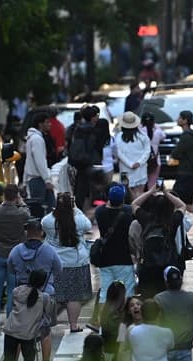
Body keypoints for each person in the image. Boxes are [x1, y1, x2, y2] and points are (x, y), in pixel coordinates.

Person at [9, 218, 64, 361]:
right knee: (45, 329)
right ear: (41, 232)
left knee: (19, 330)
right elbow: (59, 269)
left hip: (22, 294)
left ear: (27, 232)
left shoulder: (16, 250)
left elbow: (11, 269)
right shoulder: (49, 250)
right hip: (45, 293)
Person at [41, 193, 92, 333]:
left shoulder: (49, 221)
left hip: (55, 263)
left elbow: (43, 223)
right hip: (76, 262)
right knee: (74, 296)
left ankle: (48, 323)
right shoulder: (79, 220)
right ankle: (74, 325)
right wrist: (76, 209)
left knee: (53, 294)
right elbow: (88, 225)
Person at [0, 183, 30, 331]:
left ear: (4, 195)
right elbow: (28, 216)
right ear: (16, 196)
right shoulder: (21, 213)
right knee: (12, 291)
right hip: (15, 256)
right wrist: (22, 202)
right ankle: (10, 323)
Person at [1, 268, 49, 361]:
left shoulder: (17, 291)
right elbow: (48, 315)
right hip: (28, 335)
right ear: (43, 283)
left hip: (11, 330)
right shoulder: (44, 297)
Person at [92, 184, 136, 328]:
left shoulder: (99, 212)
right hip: (124, 258)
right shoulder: (128, 212)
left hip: (105, 259)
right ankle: (125, 324)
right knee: (128, 292)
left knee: (105, 292)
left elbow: (104, 207)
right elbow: (135, 205)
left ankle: (101, 323)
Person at [24, 111, 56, 216]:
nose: (49, 124)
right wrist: (47, 180)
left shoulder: (32, 138)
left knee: (48, 206)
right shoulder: (37, 139)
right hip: (38, 179)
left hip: (37, 179)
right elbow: (40, 161)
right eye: (47, 122)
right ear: (40, 124)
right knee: (40, 209)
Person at [112, 111, 151, 197]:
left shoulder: (118, 137)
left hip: (125, 169)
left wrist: (130, 163)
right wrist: (139, 162)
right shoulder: (143, 136)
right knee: (139, 194)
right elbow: (147, 151)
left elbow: (118, 153)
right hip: (140, 169)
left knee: (126, 194)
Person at [141, 112, 165, 193]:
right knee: (153, 182)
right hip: (155, 161)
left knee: (142, 183)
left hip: (142, 161)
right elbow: (164, 136)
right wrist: (157, 126)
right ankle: (153, 198)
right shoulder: (158, 131)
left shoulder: (140, 132)